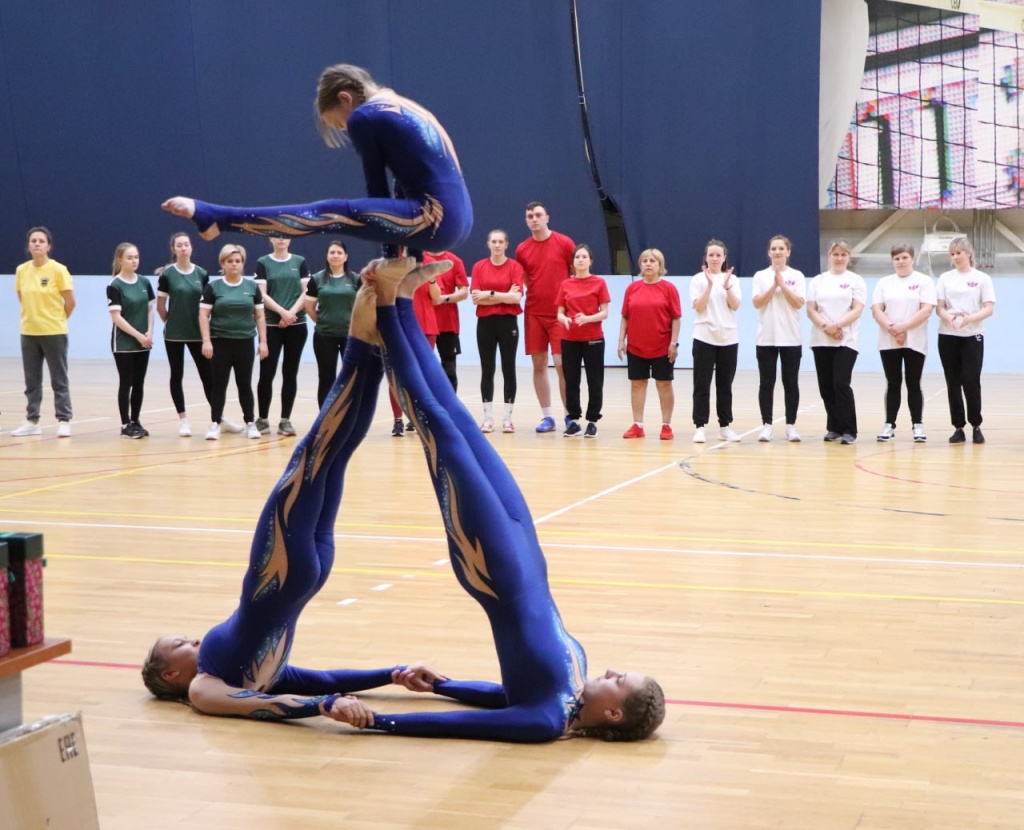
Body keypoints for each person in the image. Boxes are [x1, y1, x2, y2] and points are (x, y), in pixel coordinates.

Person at [320, 256, 664, 742]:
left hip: (495, 565)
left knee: (438, 427)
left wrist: (381, 720)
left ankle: (389, 303)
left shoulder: (546, 722)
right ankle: (403, 301)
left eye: (619, 680)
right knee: (458, 420)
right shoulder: (570, 690)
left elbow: (473, 724)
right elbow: (503, 693)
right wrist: (445, 685)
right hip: (525, 548)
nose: (610, 671)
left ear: (613, 713)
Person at [142, 284, 444, 718]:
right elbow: (267, 703)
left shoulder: (257, 671)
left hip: (305, 570)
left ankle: (372, 341)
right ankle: (364, 335)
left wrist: (392, 674)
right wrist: (324, 705)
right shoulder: (204, 687)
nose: (192, 639)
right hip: (280, 567)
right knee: (315, 453)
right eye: (181, 644)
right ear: (171, 674)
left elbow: (326, 680)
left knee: (336, 455)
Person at [162, 63, 472, 255]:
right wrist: (407, 257)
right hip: (458, 219)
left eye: (340, 124)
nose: (346, 128)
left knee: (331, 213)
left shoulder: (365, 115)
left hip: (433, 218)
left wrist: (390, 259)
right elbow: (409, 181)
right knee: (394, 302)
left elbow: (377, 191)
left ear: (345, 98)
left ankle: (219, 218)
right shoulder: (403, 105)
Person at [515, 202, 575, 433]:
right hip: (534, 313)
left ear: (547, 218)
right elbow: (525, 279)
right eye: (530, 216)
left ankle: (570, 415)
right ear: (526, 220)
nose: (534, 219)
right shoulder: (522, 249)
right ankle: (547, 417)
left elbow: (575, 274)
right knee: (539, 365)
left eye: (538, 215)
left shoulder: (564, 243)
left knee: (561, 364)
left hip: (560, 314)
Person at [157, 232, 224, 437]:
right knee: (177, 375)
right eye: (179, 245)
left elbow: (207, 305)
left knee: (208, 376)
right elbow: (160, 307)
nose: (183, 248)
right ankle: (183, 420)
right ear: (174, 249)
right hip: (174, 335)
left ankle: (217, 419)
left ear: (191, 247)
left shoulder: (202, 274)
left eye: (186, 244)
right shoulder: (167, 275)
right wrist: (173, 322)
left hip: (198, 334)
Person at [199, 244, 269, 441]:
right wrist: (206, 341)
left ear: (243, 263)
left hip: (244, 342)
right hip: (220, 342)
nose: (234, 265)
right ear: (223, 263)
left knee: (244, 384)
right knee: (219, 384)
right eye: (230, 261)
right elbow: (203, 315)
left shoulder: (252, 287)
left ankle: (250, 423)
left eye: (238, 261)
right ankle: (215, 423)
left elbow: (260, 316)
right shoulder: (213, 287)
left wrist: (263, 342)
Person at [11, 227, 75, 438]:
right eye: (33, 241)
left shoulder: (58, 270)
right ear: (28, 246)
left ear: (48, 246)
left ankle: (64, 420)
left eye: (41, 241)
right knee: (32, 380)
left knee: (59, 379)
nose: (37, 244)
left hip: (54, 332)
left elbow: (70, 302)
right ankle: (32, 420)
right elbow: (22, 298)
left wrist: (57, 320)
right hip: (29, 332)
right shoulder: (22, 270)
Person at [871, 244, 936, 443]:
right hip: (889, 341)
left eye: (904, 257)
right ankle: (889, 425)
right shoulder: (884, 283)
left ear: (912, 259)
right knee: (893, 383)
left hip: (915, 340)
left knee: (913, 383)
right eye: (897, 258)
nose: (901, 261)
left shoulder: (924, 281)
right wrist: (892, 328)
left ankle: (918, 425)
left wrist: (904, 328)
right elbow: (877, 310)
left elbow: (926, 310)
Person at [935, 236, 996, 444]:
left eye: (959, 253)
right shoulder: (945, 278)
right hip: (948, 335)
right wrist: (950, 318)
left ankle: (976, 424)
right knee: (952, 381)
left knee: (971, 380)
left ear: (969, 253)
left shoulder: (981, 278)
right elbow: (940, 307)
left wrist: (970, 318)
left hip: (972, 335)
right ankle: (958, 427)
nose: (955, 257)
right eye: (952, 254)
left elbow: (988, 308)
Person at [806, 239, 866, 445]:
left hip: (846, 340)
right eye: (835, 254)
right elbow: (811, 310)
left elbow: (857, 309)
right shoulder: (818, 280)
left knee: (841, 383)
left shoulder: (855, 280)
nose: (839, 258)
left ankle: (850, 429)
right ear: (829, 256)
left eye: (843, 255)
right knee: (826, 386)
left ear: (849, 257)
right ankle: (834, 427)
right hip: (821, 339)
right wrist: (826, 326)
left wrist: (837, 325)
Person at [617, 249, 681, 441]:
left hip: (662, 346)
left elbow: (676, 318)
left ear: (660, 265)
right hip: (636, 346)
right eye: (644, 260)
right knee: (637, 384)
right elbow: (625, 316)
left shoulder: (669, 289)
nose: (648, 263)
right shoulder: (632, 289)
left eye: (652, 260)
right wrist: (621, 340)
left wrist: (674, 343)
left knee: (664, 384)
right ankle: (638, 425)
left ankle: (666, 425)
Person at [751, 235, 806, 443]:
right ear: (769, 252)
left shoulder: (797, 276)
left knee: (790, 383)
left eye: (781, 249)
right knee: (766, 383)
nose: (777, 252)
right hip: (766, 338)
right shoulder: (760, 276)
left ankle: (791, 425)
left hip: (791, 337)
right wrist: (773, 286)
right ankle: (767, 425)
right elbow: (758, 303)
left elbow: (798, 303)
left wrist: (783, 284)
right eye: (774, 249)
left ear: (788, 252)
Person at [254, 235, 310, 437]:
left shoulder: (299, 261)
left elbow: (306, 292)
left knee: (290, 372)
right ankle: (262, 419)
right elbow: (262, 294)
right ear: (270, 239)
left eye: (285, 236)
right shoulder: (263, 262)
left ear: (290, 239)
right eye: (277, 236)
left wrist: (291, 314)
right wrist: (282, 312)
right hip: (271, 324)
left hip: (297, 324)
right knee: (266, 372)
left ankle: (285, 420)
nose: (281, 239)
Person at [471, 230, 525, 433]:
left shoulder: (515, 267)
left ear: (506, 244)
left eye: (500, 242)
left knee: (508, 368)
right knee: (487, 369)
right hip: (485, 323)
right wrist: (503, 295)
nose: (497, 245)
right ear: (488, 244)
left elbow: (516, 298)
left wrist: (489, 294)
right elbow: (476, 299)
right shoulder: (479, 267)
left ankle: (507, 419)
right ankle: (487, 418)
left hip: (508, 322)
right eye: (493, 241)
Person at [690, 240, 742, 444]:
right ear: (706, 257)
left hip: (728, 338)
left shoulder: (733, 279)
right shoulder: (698, 279)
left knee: (725, 385)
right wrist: (710, 285)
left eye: (718, 255)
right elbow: (698, 306)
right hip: (704, 337)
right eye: (710, 255)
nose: (714, 258)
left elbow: (735, 305)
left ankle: (725, 426)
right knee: (701, 384)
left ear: (724, 258)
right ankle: (700, 426)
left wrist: (726, 286)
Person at [556, 245, 610, 438]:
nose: (580, 260)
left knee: (594, 380)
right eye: (577, 257)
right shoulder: (566, 284)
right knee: (571, 380)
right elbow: (559, 312)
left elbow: (604, 312)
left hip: (593, 338)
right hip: (569, 339)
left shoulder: (599, 283)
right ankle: (574, 420)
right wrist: (564, 319)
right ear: (572, 262)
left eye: (584, 257)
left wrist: (587, 319)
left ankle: (593, 421)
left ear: (590, 261)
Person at [107, 243, 155, 439]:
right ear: (120, 260)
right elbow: (116, 317)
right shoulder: (115, 285)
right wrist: (138, 335)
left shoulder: (144, 282)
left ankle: (136, 420)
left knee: (139, 383)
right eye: (129, 257)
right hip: (124, 344)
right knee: (126, 382)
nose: (134, 261)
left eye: (136, 257)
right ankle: (125, 424)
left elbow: (150, 309)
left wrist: (149, 332)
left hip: (143, 342)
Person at [305, 240, 360, 409]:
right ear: (327, 256)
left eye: (339, 253)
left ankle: (349, 415)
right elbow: (309, 307)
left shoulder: (356, 279)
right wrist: (323, 321)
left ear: (346, 257)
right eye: (332, 252)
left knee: (351, 378)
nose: (335, 256)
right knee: (326, 377)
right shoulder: (317, 279)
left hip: (351, 336)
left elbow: (365, 307)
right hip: (324, 336)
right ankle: (325, 417)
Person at [426, 250, 469, 391]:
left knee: (449, 368)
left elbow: (464, 292)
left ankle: (450, 403)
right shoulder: (419, 259)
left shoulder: (454, 261)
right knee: (423, 366)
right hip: (424, 322)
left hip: (447, 322)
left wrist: (444, 299)